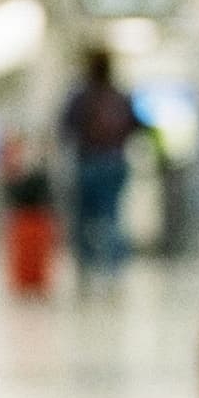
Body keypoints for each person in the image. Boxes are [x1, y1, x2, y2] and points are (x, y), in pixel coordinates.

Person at [59, 48, 144, 281]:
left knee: (83, 218)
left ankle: (85, 269)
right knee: (113, 216)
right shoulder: (120, 95)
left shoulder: (80, 96)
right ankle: (113, 269)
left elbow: (65, 128)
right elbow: (137, 125)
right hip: (115, 162)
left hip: (88, 162)